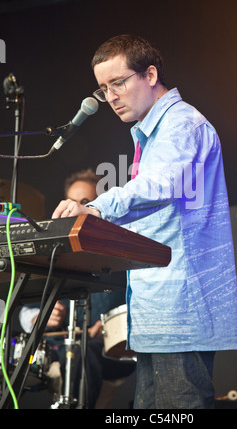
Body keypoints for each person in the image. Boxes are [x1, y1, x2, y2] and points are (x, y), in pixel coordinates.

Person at [52, 34, 237, 409]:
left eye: (118, 83)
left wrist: (95, 208)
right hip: (157, 315)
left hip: (181, 312)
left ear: (150, 74)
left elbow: (161, 186)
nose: (110, 97)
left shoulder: (181, 123)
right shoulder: (150, 134)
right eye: (103, 88)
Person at [19, 169, 135, 409]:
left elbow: (141, 303)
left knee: (82, 353)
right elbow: (26, 308)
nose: (76, 209)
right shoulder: (55, 253)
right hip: (57, 349)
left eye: (87, 203)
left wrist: (112, 324)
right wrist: (38, 317)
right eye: (72, 203)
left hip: (110, 351)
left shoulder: (122, 254)